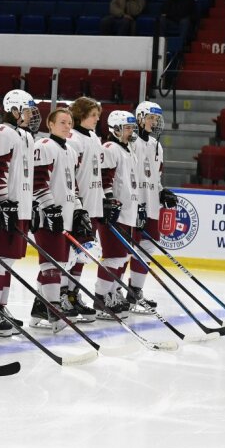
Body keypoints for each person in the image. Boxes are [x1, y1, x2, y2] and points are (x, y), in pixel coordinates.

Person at [0, 89, 38, 337]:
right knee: (1, 258)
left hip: (21, 206)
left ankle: (0, 307)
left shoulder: (24, 135)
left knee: (10, 260)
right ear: (13, 111)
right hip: (7, 207)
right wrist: (0, 203)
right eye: (26, 111)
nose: (30, 116)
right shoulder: (2, 132)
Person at [30, 108, 82, 332]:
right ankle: (55, 313)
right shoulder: (44, 146)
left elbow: (73, 185)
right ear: (50, 125)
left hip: (66, 215)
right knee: (51, 265)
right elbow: (38, 180)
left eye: (69, 122)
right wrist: (50, 208)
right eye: (62, 122)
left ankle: (38, 312)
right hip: (47, 217)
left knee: (59, 265)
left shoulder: (70, 150)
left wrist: (79, 209)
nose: (67, 126)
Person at [129, 101, 176, 311]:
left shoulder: (157, 145)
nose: (154, 122)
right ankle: (112, 292)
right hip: (133, 203)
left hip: (152, 204)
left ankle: (135, 292)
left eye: (156, 118)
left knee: (147, 249)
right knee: (125, 250)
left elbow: (155, 177)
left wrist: (161, 191)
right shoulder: (131, 142)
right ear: (140, 118)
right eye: (150, 118)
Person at [95, 110, 141, 319]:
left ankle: (112, 292)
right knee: (113, 257)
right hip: (115, 213)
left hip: (128, 213)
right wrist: (108, 200)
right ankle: (101, 298)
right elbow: (106, 178)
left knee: (123, 257)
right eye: (127, 127)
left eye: (133, 127)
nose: (131, 132)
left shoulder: (128, 150)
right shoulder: (110, 148)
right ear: (115, 129)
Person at [62, 97, 104, 321]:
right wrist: (77, 204)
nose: (97, 119)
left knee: (82, 256)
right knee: (68, 255)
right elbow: (70, 175)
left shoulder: (95, 138)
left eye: (98, 115)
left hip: (94, 205)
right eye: (93, 115)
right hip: (78, 207)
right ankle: (59, 296)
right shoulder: (73, 139)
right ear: (80, 115)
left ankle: (72, 295)